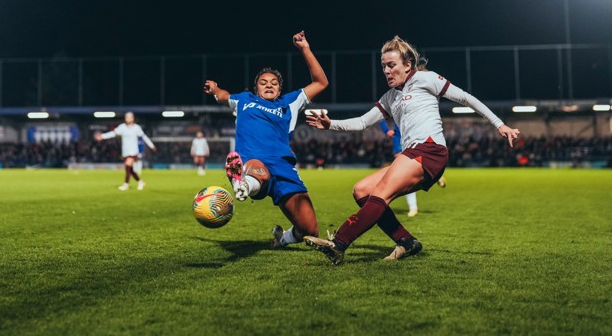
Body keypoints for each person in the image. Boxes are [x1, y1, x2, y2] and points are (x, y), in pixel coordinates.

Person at [304, 36, 520, 264]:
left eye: (391, 65)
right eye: (383, 66)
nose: (386, 71)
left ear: (407, 65)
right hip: (412, 154)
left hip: (429, 150)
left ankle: (339, 243)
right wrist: (331, 124)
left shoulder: (426, 79)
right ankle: (406, 242)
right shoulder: (389, 97)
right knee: (362, 191)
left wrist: (500, 124)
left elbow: (466, 98)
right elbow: (362, 122)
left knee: (380, 193)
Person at [203, 30, 328, 248]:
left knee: (310, 230)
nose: (269, 85)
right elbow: (224, 95)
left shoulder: (290, 102)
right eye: (263, 82)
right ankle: (243, 183)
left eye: (273, 83)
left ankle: (283, 238)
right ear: (256, 88)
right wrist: (215, 90)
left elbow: (321, 82)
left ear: (280, 88)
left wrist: (305, 49)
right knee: (257, 170)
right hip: (254, 161)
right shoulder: (244, 100)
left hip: (284, 166)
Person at [378, 121, 446, 217]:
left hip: (413, 131)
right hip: (399, 135)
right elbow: (380, 114)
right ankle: (413, 207)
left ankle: (432, 173)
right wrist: (386, 129)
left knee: (408, 170)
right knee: (404, 173)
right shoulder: (392, 106)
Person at [94, 112, 156, 190]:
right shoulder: (122, 127)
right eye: (126, 117)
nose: (128, 119)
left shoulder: (136, 128)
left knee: (127, 166)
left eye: (129, 117)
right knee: (131, 169)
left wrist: (151, 145)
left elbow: (144, 137)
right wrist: (102, 136)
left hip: (133, 151)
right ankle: (140, 182)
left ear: (133, 118)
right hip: (125, 152)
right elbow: (113, 133)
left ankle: (126, 184)